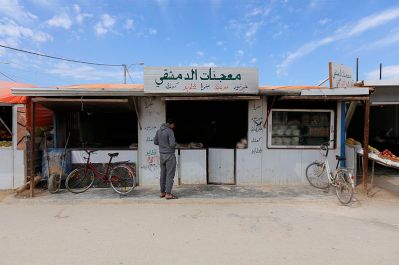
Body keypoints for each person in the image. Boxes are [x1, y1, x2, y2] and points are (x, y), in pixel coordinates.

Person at [154, 118, 178, 199]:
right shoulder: (170, 131)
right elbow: (172, 144)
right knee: (170, 175)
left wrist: (163, 145)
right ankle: (168, 194)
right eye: (173, 125)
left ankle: (162, 192)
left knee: (163, 174)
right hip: (169, 155)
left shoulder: (159, 131)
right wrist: (176, 144)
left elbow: (155, 142)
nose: (174, 126)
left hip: (162, 155)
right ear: (170, 124)